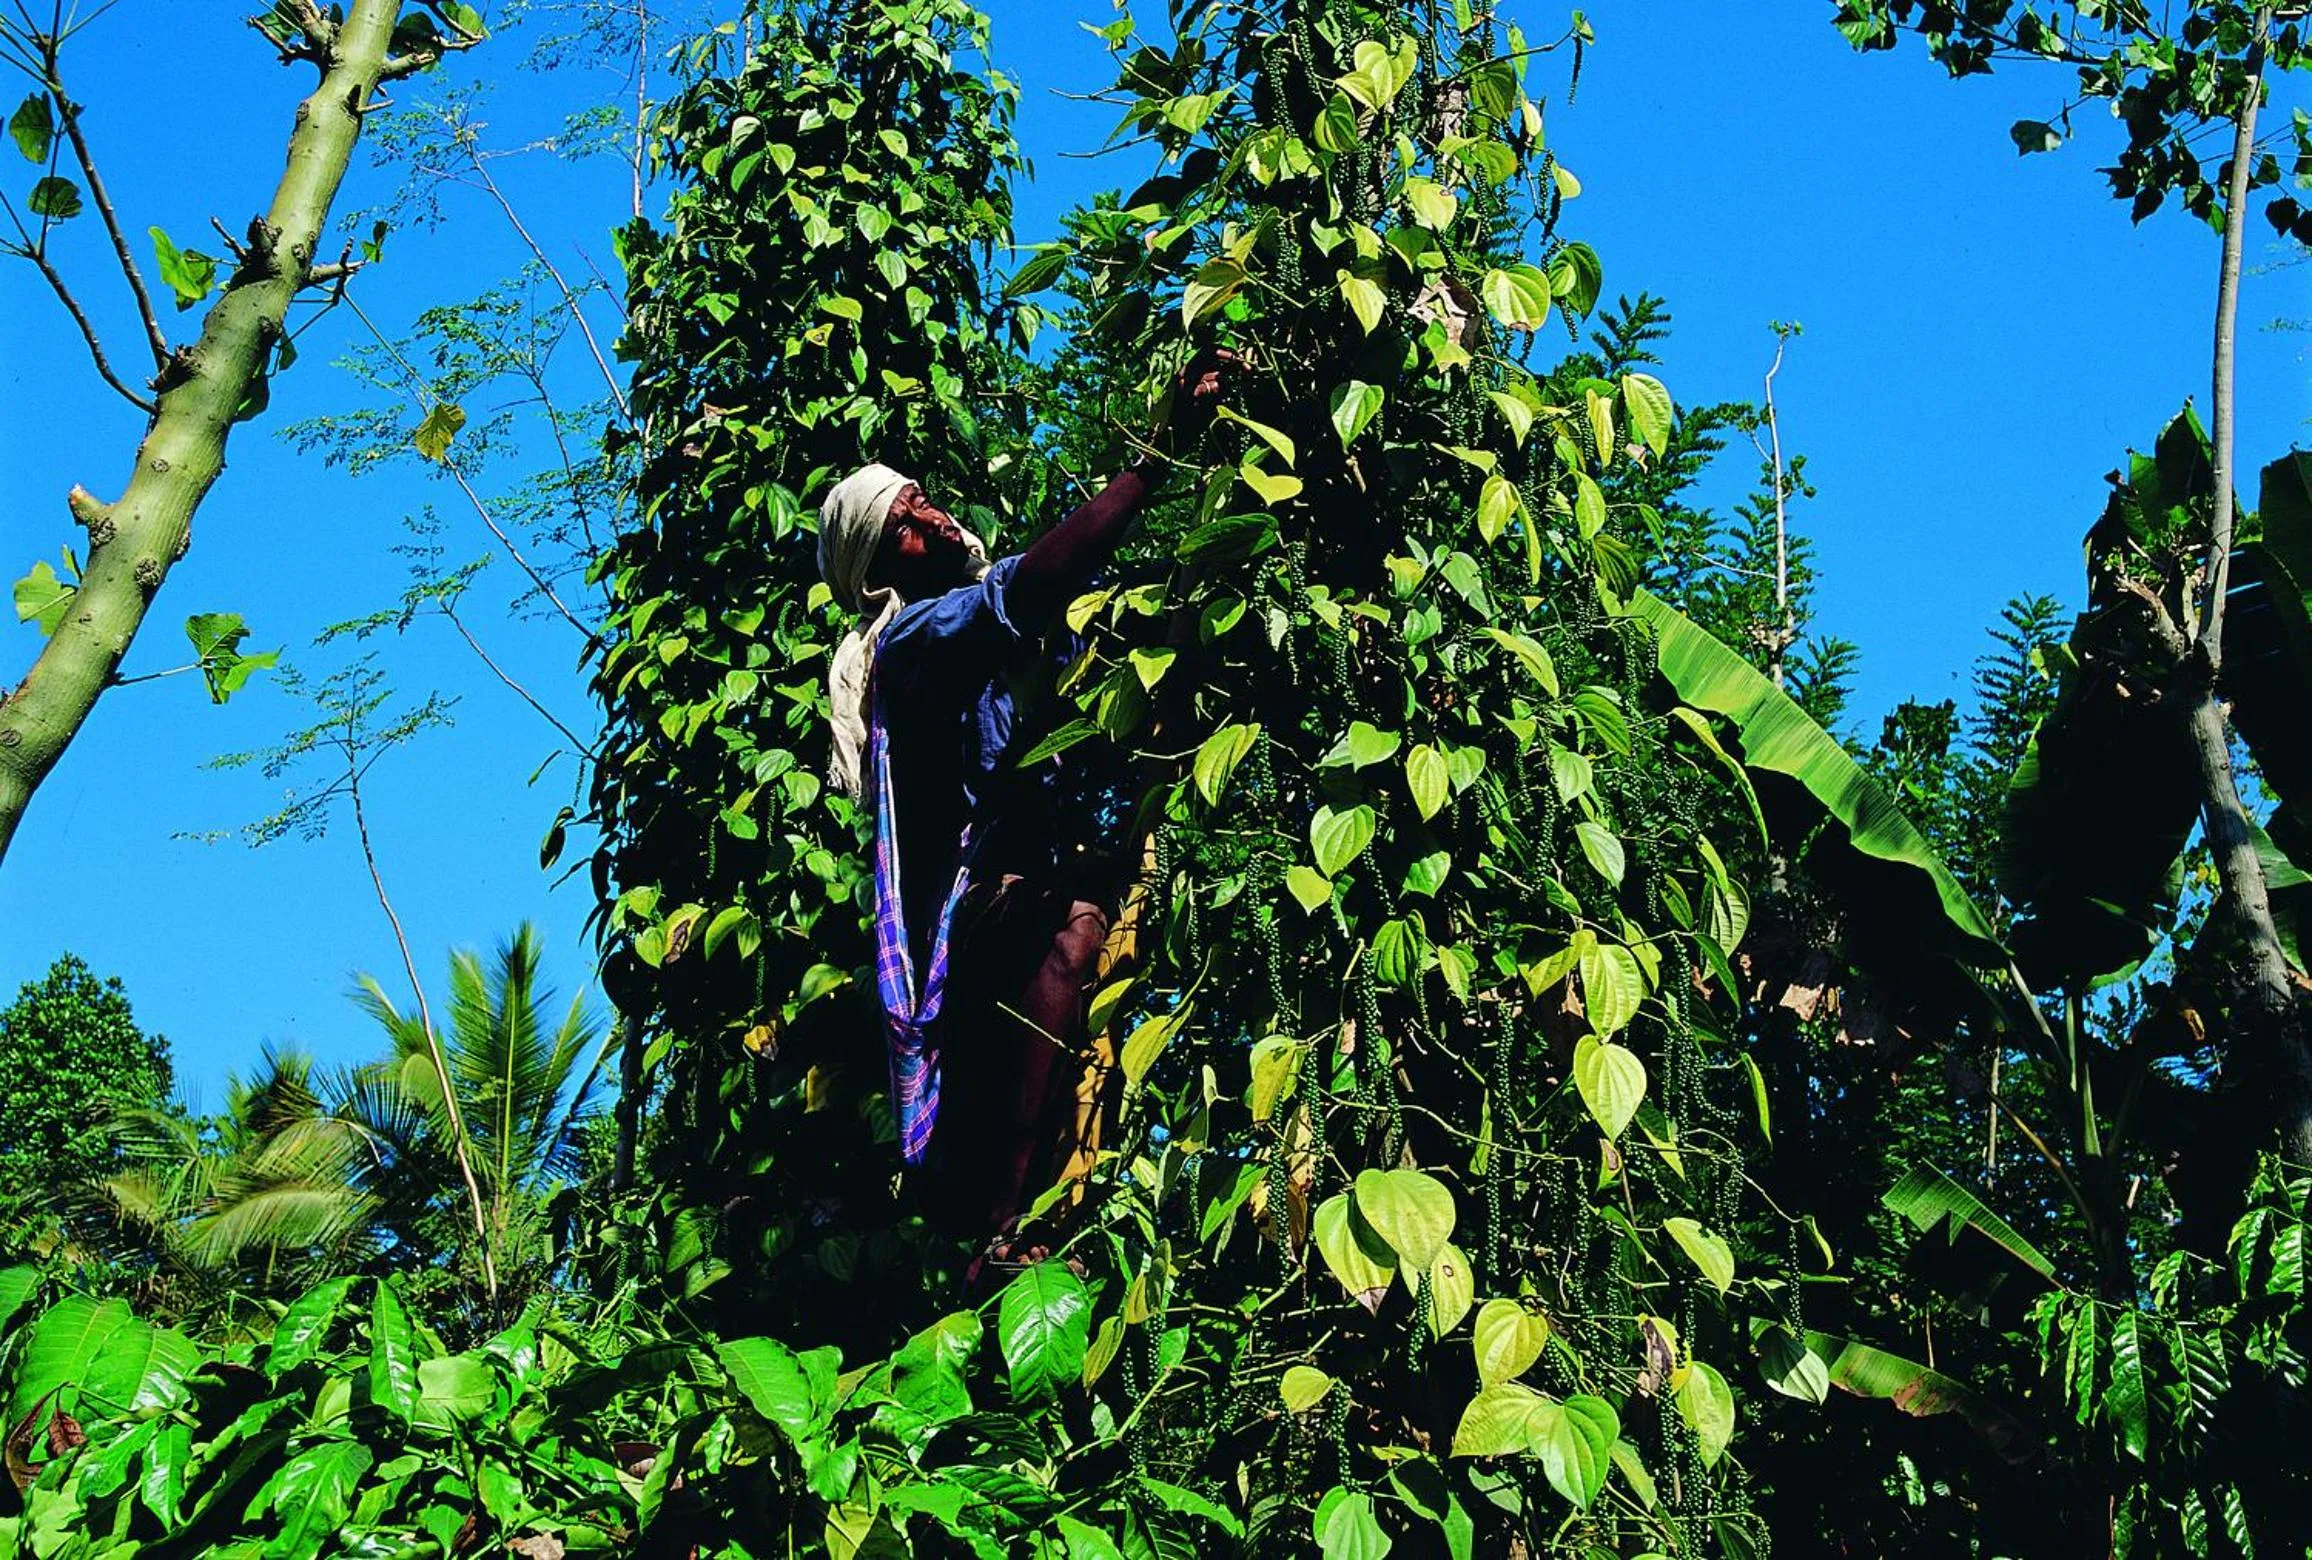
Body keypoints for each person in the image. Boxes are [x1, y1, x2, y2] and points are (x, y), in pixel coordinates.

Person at [816, 352, 1233, 1260]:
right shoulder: (919, 639)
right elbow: (1043, 580)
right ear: (884, 562)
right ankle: (1003, 1226)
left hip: (1022, 863)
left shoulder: (960, 622)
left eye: (923, 498)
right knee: (1073, 931)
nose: (934, 512)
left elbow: (1070, 604)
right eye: (909, 517)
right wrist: (1157, 455)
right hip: (975, 909)